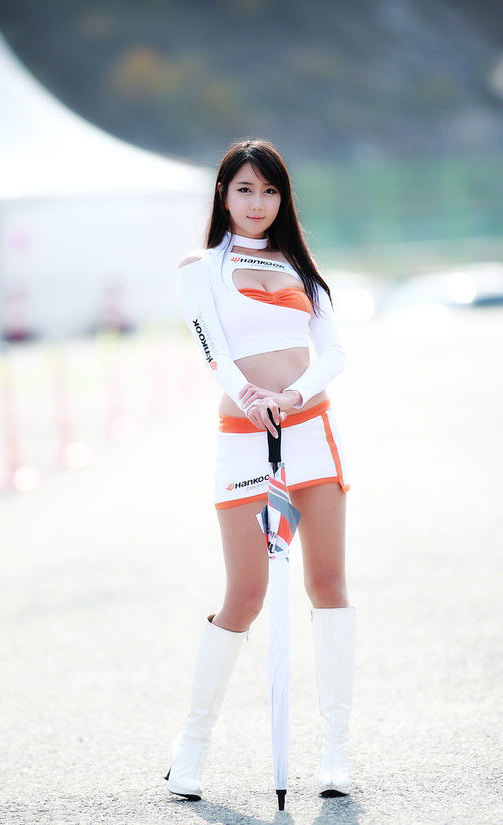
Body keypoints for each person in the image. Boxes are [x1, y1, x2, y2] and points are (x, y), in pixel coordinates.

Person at [165, 138, 356, 801]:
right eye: (245, 189)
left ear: (283, 198)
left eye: (270, 191)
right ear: (224, 194)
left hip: (311, 432)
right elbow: (213, 348)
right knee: (245, 593)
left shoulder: (302, 267)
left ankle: (335, 749)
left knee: (327, 583)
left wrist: (295, 395)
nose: (257, 202)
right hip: (246, 439)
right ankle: (191, 746)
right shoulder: (202, 267)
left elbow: (332, 353)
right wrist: (248, 394)